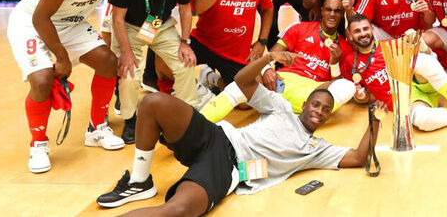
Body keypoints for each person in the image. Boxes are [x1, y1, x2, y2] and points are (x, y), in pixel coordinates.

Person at [95, 49, 383, 213]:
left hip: (227, 167)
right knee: (153, 102)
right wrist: (268, 57)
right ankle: (140, 180)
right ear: (305, 103)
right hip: (216, 135)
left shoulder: (316, 148)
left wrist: (376, 121)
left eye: (325, 110)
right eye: (316, 104)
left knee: (178, 211)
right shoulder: (282, 107)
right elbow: (244, 81)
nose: (318, 112)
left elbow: (358, 157)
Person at [7, 0, 129, 173]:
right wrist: (61, 57)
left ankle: (96, 129)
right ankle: (38, 143)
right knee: (41, 80)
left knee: (107, 61)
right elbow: (40, 17)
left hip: (70, 22)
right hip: (32, 22)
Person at [109, 0, 196, 144]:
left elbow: (185, 10)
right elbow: (117, 18)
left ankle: (187, 115)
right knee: (129, 73)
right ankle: (130, 119)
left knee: (186, 64)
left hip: (160, 24)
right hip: (129, 27)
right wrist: (127, 52)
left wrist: (185, 42)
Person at [340, 14, 447, 135]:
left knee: (421, 60)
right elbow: (363, 97)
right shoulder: (350, 61)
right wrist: (361, 97)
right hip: (407, 101)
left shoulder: (391, 45)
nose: (363, 34)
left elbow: (431, 60)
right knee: (422, 121)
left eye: (365, 29)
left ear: (372, 29)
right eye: (357, 31)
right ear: (350, 35)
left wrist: (422, 46)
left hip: (421, 84)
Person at [262, 0, 356, 113]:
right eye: (328, 9)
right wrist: (268, 70)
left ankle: (285, 106)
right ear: (322, 10)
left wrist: (334, 62)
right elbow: (270, 55)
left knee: (347, 86)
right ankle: (304, 109)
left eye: (337, 11)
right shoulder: (300, 28)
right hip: (286, 81)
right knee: (255, 71)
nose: (332, 14)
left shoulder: (345, 48)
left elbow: (334, 84)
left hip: (313, 89)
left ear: (342, 14)